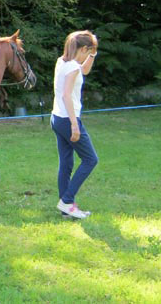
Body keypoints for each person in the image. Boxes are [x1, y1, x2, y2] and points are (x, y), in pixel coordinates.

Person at [51, 31, 99, 219]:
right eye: (89, 51)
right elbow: (66, 95)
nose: (89, 55)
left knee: (67, 163)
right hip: (67, 119)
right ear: (82, 49)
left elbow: (84, 70)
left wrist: (93, 55)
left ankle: (66, 208)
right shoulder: (72, 67)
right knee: (90, 159)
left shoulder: (63, 62)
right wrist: (74, 124)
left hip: (56, 117)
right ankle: (67, 200)